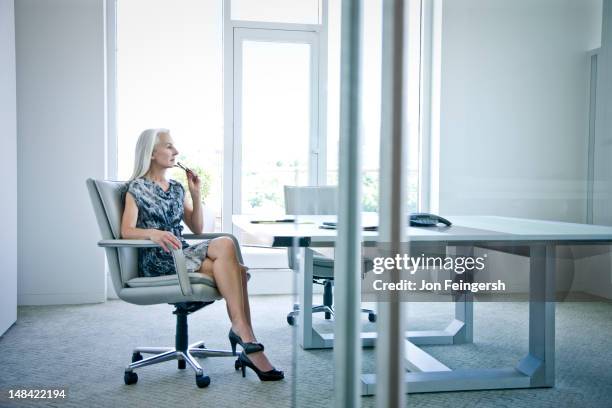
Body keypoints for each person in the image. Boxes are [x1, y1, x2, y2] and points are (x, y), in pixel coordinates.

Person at [120, 128, 283, 381]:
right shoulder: (137, 188)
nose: (176, 151)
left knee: (228, 250)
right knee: (235, 268)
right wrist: (152, 233)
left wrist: (195, 194)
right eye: (169, 146)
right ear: (152, 154)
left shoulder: (175, 188)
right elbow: (126, 231)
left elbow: (196, 228)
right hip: (159, 260)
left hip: (182, 254)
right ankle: (247, 339)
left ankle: (245, 336)